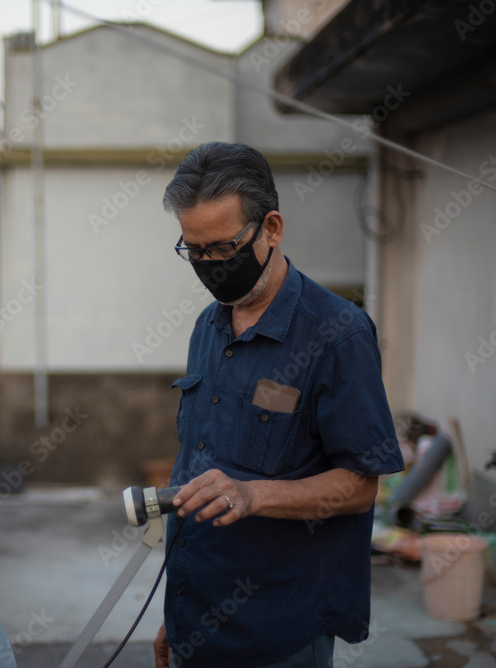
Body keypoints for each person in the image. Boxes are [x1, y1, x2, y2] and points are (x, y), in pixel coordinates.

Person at [153, 142, 404, 668]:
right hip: (195, 620)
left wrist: (252, 495)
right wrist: (177, 615)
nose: (209, 266)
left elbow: (361, 485)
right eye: (193, 251)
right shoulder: (209, 326)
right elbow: (197, 465)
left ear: (271, 228)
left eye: (222, 248)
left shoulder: (337, 335)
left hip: (279, 631)